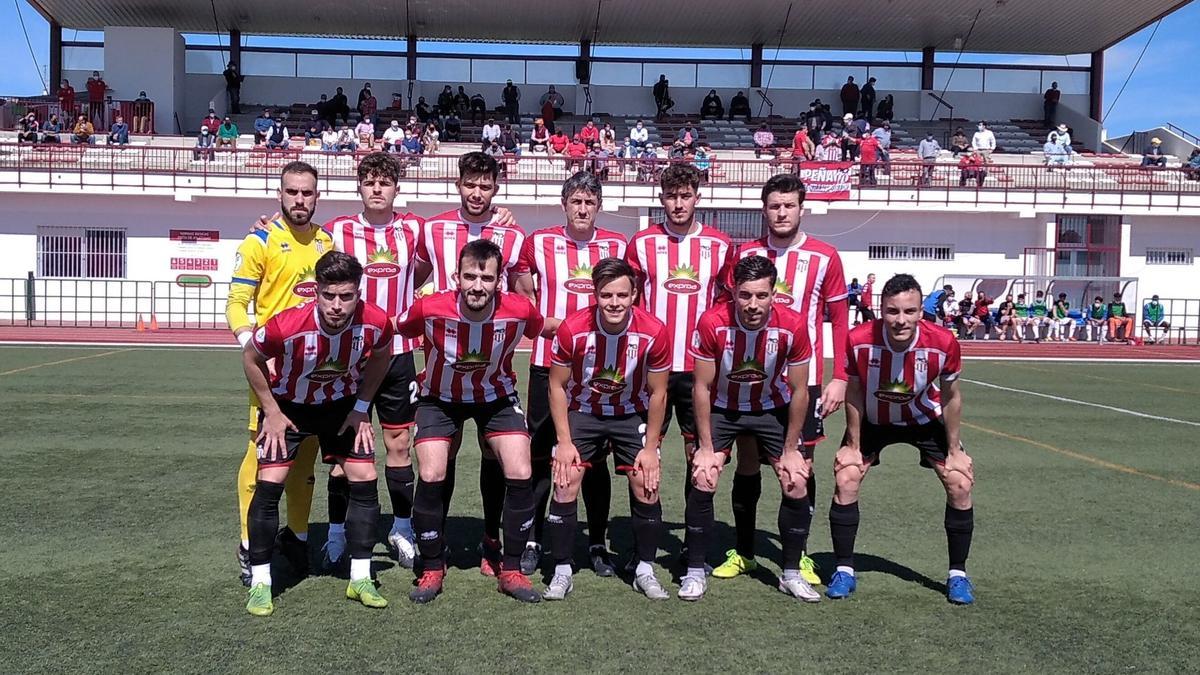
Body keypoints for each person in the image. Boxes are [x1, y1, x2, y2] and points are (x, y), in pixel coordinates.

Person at [712, 173, 850, 588]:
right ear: (764, 209)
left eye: (789, 205)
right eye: (774, 205)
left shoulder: (825, 256)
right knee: (749, 462)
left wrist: (841, 376)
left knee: (799, 467)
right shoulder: (745, 256)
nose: (782, 212)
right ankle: (746, 552)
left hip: (799, 383)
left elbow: (840, 320)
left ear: (801, 208)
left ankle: (799, 555)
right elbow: (724, 309)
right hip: (748, 380)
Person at [241, 251, 392, 616]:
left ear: (359, 293)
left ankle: (360, 578)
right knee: (271, 480)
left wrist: (362, 407)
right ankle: (261, 583)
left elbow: (383, 356)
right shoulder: (287, 325)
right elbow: (250, 357)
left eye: (346, 296)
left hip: (341, 406)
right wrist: (272, 411)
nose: (337, 305)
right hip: (289, 407)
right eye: (329, 295)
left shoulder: (375, 321)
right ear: (316, 292)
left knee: (364, 476)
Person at [397, 240, 545, 604]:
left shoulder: (519, 310)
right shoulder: (429, 308)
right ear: (456, 278)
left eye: (487, 277)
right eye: (470, 276)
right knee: (431, 472)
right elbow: (396, 328)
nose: (478, 285)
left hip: (495, 396)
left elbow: (543, 328)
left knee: (520, 468)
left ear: (500, 281)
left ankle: (509, 568)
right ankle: (432, 565)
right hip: (439, 398)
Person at [827, 273, 976, 605]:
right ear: (881, 309)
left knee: (960, 482)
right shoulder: (858, 338)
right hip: (874, 419)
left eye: (909, 311)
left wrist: (954, 450)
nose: (900, 320)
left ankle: (958, 575)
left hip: (924, 420)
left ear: (921, 311)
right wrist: (852, 444)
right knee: (846, 477)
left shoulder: (943, 342)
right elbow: (852, 390)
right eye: (893, 311)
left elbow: (951, 397)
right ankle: (844, 570)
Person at [414, 153, 526, 576]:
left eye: (485, 185)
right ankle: (434, 545)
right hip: (442, 367)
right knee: (441, 456)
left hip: (492, 369)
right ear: (458, 184)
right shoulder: (433, 228)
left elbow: (521, 296)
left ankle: (492, 539)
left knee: (496, 455)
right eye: (470, 184)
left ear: (496, 188)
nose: (477, 193)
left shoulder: (512, 236)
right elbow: (413, 273)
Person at [512, 172, 629, 575]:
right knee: (542, 453)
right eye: (576, 201)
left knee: (594, 458)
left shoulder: (616, 245)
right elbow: (525, 297)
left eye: (589, 202)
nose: (582, 209)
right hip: (549, 364)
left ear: (598, 206)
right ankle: (532, 538)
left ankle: (596, 542)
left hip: (600, 368)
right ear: (564, 204)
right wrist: (552, 324)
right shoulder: (538, 242)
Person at [682, 255, 817, 602]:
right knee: (703, 474)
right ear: (733, 292)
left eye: (761, 295)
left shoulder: (794, 325)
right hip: (723, 407)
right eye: (745, 295)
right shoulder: (712, 322)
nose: (753, 304)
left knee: (796, 479)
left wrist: (790, 449)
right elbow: (700, 387)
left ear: (774, 294)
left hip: (771, 407)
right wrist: (707, 447)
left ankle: (790, 573)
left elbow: (801, 390)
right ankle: (695, 571)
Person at [226, 161, 334, 587]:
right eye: (292, 192)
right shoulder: (260, 240)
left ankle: (298, 536)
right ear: (280, 194)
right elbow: (237, 301)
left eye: (307, 193)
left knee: (303, 461)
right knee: (262, 458)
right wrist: (252, 346)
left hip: (316, 373)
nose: (300, 201)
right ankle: (250, 544)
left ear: (317, 196)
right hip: (273, 372)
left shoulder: (326, 241)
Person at [541, 256, 670, 600]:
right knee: (565, 479)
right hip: (584, 410)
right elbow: (556, 386)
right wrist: (564, 441)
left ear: (634, 295)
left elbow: (659, 392)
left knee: (646, 483)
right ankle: (562, 570)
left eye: (622, 295)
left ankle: (644, 567)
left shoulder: (654, 331)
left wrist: (650, 448)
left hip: (631, 412)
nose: (615, 303)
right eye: (607, 295)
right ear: (595, 295)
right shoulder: (573, 328)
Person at [625, 164, 734, 529]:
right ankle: (645, 536)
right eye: (671, 196)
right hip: (652, 367)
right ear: (661, 199)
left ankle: (693, 537)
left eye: (685, 196)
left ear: (697, 198)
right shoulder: (642, 244)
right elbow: (631, 301)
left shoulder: (720, 246)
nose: (678, 203)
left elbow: (726, 304)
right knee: (645, 451)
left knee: (697, 453)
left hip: (699, 369)